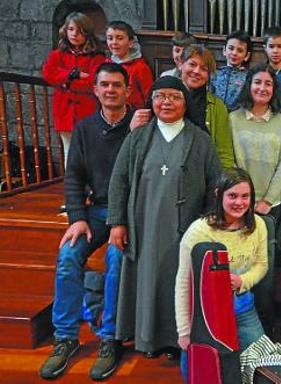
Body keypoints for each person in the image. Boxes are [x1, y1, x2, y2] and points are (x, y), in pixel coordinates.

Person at [107, 76, 222, 357]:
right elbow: (119, 180)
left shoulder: (201, 140)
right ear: (151, 102)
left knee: (178, 281)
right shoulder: (137, 137)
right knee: (148, 280)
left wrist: (209, 224)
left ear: (185, 103)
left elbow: (215, 185)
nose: (167, 102)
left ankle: (176, 341)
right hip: (143, 225)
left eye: (174, 97)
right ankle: (147, 339)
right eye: (160, 96)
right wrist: (117, 223)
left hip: (185, 227)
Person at [39, 63, 132, 381]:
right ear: (95, 90)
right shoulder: (84, 128)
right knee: (67, 256)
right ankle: (65, 337)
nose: (110, 90)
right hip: (95, 211)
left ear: (127, 91)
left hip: (128, 216)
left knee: (116, 258)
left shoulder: (139, 125)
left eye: (117, 85)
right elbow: (74, 176)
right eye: (104, 85)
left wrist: (126, 220)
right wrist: (77, 218)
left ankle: (110, 338)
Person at [175, 168, 268, 382]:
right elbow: (183, 283)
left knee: (263, 364)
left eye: (245, 196)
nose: (239, 202)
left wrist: (242, 281)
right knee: (199, 372)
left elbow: (262, 265)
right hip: (206, 314)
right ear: (219, 195)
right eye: (232, 196)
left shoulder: (259, 225)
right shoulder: (199, 231)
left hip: (242, 307)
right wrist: (184, 332)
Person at [132, 45, 235, 168]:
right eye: (192, 64)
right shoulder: (161, 98)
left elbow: (224, 154)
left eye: (203, 68)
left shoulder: (217, 107)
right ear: (181, 64)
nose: (196, 71)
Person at [229, 64, 281, 219]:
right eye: (257, 82)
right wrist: (244, 197)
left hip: (271, 205)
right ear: (249, 85)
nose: (262, 88)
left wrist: (268, 200)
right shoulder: (233, 119)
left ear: (274, 89)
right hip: (239, 202)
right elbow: (230, 160)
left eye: (268, 84)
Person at [41, 11, 105, 166]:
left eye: (79, 30)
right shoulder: (57, 54)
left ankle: (90, 186)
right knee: (68, 150)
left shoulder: (96, 57)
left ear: (87, 33)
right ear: (65, 31)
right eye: (71, 29)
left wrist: (66, 83)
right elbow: (48, 74)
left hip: (87, 109)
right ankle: (72, 186)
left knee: (89, 150)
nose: (74, 34)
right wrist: (73, 74)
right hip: (64, 110)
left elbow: (93, 82)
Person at [105, 20, 153, 109]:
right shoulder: (106, 64)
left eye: (119, 38)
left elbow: (148, 97)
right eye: (110, 38)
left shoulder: (140, 67)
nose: (114, 42)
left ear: (130, 43)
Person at [211, 30, 253, 111]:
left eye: (240, 50)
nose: (234, 53)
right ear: (224, 50)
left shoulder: (248, 78)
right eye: (231, 48)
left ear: (246, 56)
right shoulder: (215, 74)